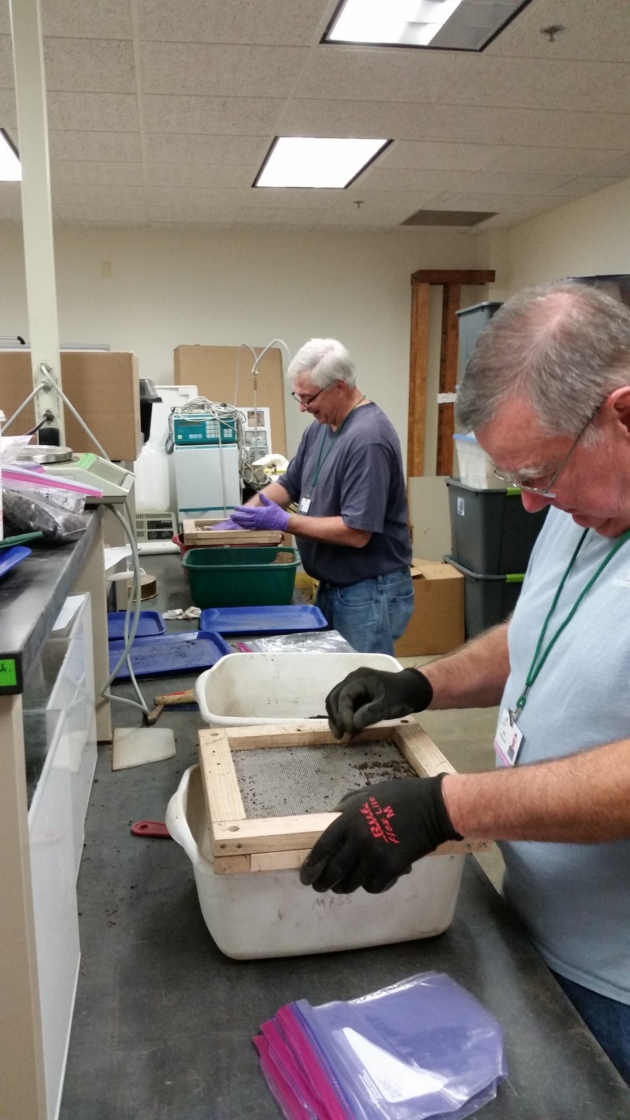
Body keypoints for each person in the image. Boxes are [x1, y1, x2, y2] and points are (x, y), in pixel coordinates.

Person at [300, 283, 630, 1084]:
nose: (531, 502)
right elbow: (537, 635)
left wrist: (446, 808)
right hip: (537, 924)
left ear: (623, 414)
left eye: (541, 472)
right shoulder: (587, 505)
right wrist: (421, 684)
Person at [229, 338, 413, 654]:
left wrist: (284, 521)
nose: (302, 407)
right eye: (298, 397)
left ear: (339, 386)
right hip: (335, 583)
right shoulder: (321, 427)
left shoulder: (368, 439)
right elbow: (290, 484)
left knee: (360, 679)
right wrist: (245, 514)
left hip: (368, 590)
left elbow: (356, 533)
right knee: (332, 676)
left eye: (308, 398)